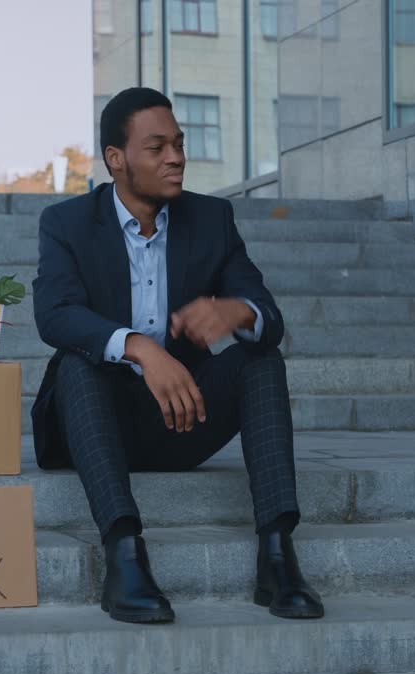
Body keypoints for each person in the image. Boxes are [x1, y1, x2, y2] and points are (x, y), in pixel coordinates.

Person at [31, 87, 322, 624]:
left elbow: (268, 315)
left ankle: (277, 556)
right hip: (99, 423)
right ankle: (124, 558)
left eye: (180, 144)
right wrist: (140, 348)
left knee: (260, 358)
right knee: (75, 363)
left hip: (181, 416)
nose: (176, 158)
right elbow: (55, 314)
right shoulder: (67, 223)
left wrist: (237, 311)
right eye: (157, 147)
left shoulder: (210, 219)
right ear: (116, 160)